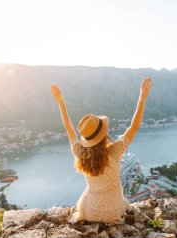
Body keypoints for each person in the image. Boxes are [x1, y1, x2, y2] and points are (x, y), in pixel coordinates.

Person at [51, 78, 153, 224]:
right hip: (114, 211)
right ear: (103, 134)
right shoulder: (114, 152)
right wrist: (142, 99)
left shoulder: (80, 153)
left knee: (87, 194)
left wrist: (61, 102)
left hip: (90, 211)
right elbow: (134, 126)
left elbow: (69, 129)